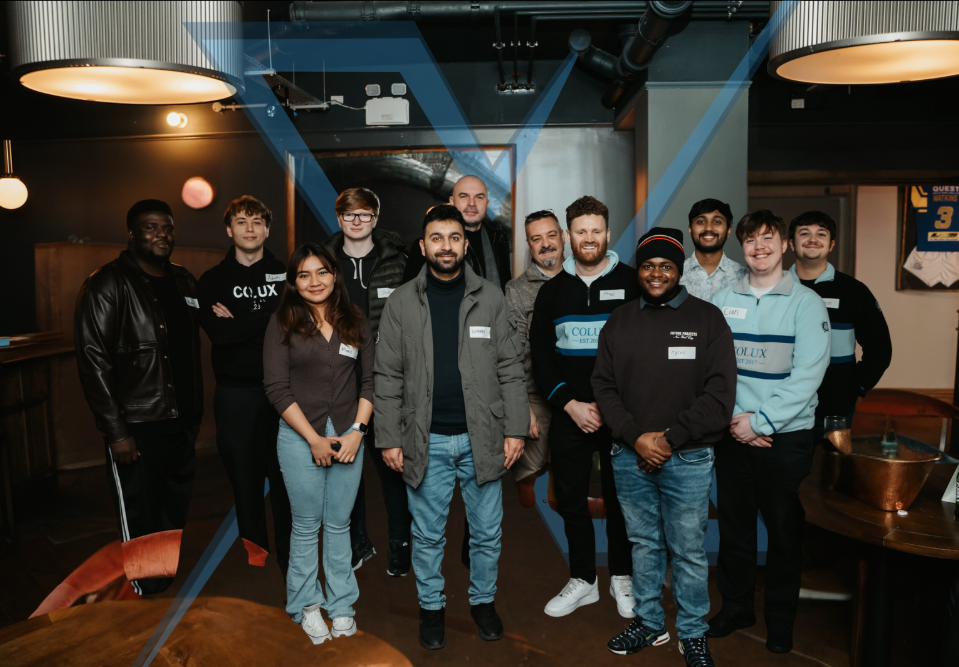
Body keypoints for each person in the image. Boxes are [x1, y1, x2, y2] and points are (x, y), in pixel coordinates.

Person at [374, 204, 528, 650]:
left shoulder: (491, 298)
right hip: (425, 440)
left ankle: (482, 603)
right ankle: (432, 608)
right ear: (423, 247)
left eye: (454, 237)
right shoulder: (402, 300)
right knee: (427, 535)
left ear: (465, 243)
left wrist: (515, 430)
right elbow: (387, 377)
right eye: (436, 238)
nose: (446, 246)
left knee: (486, 532)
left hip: (484, 438)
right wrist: (388, 438)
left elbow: (510, 369)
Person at [593, 227, 737, 665]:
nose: (657, 274)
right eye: (650, 266)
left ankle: (692, 632)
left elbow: (719, 396)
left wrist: (670, 439)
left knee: (689, 550)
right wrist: (636, 438)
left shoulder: (707, 319)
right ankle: (650, 622)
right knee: (644, 544)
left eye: (667, 266)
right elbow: (602, 385)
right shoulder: (620, 320)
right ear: (641, 270)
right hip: (628, 456)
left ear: (679, 272)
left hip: (689, 456)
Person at [708, 210, 830, 654]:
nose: (759, 247)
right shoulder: (723, 301)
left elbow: (808, 376)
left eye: (768, 239)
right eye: (751, 240)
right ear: (743, 247)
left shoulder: (806, 303)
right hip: (734, 433)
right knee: (735, 531)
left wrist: (760, 423)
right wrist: (737, 422)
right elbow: (714, 371)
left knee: (783, 535)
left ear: (784, 246)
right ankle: (736, 607)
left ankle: (780, 620)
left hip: (785, 440)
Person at [75, 199, 203, 595]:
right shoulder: (106, 283)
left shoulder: (184, 280)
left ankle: (159, 577)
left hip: (181, 420)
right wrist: (116, 432)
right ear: (131, 234)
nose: (161, 235)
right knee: (140, 509)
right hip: (137, 425)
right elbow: (93, 361)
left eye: (167, 227)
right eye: (150, 228)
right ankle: (145, 591)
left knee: (173, 503)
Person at [529, 195, 638, 619]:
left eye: (596, 230)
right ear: (568, 236)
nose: (588, 238)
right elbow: (541, 356)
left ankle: (622, 578)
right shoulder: (553, 291)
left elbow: (644, 353)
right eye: (580, 231)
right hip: (571, 414)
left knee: (622, 499)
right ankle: (584, 580)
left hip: (622, 416)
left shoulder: (632, 283)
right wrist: (570, 404)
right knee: (570, 500)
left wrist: (614, 407)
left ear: (607, 234)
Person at [262, 244, 374, 645]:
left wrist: (357, 433)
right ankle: (306, 605)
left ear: (334, 275)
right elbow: (275, 387)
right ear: (294, 282)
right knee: (307, 527)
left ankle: (342, 605)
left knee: (340, 525)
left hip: (348, 436)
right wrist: (313, 440)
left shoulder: (354, 320)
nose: (314, 282)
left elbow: (369, 381)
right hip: (299, 438)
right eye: (304, 275)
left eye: (322, 272)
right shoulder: (282, 322)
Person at [197, 195, 292, 578]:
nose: (250, 228)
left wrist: (242, 322)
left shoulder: (288, 274)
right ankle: (255, 547)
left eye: (257, 222)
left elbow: (298, 328)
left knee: (286, 476)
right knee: (244, 474)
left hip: (284, 391)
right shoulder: (212, 280)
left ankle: (290, 550)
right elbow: (220, 335)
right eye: (241, 221)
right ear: (229, 229)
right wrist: (271, 317)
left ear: (268, 229)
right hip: (236, 394)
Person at [321, 187, 412, 576]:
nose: (356, 222)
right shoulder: (324, 262)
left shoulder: (400, 261)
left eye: (364, 215)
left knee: (394, 468)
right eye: (348, 215)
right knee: (347, 468)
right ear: (339, 219)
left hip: (389, 380)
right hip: (340, 381)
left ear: (376, 218)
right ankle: (357, 543)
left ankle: (399, 543)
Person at [787, 210, 892, 430]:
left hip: (835, 405)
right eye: (804, 233)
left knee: (833, 464)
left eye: (821, 234)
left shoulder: (854, 291)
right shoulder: (775, 288)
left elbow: (879, 346)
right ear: (791, 244)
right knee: (785, 464)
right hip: (782, 405)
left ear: (831, 244)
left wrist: (858, 387)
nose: (813, 239)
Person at [504, 209, 565, 503]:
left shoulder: (585, 281)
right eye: (536, 239)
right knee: (530, 486)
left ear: (563, 237)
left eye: (551, 235)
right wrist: (522, 406)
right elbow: (513, 351)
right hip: (536, 396)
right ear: (529, 245)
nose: (546, 244)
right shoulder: (515, 291)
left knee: (572, 481)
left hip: (579, 396)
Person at [403, 175, 511, 291]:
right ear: (452, 202)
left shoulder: (498, 240)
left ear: (487, 204)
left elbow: (506, 292)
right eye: (464, 196)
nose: (471, 203)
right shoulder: (426, 247)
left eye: (479, 197)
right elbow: (408, 297)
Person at [680, 199, 748, 300]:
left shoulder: (745, 278)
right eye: (701, 221)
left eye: (717, 222)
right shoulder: (676, 275)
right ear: (690, 230)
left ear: (728, 230)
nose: (708, 228)